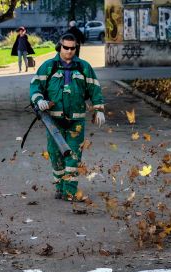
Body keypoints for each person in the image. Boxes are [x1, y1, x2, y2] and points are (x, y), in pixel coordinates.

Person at [29, 33, 105, 201]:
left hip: (76, 121)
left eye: (72, 48)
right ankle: (60, 186)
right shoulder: (49, 67)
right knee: (55, 155)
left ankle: (69, 191)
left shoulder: (84, 67)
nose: (69, 51)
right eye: (66, 48)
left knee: (73, 155)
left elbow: (94, 88)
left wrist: (99, 109)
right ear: (59, 47)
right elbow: (35, 87)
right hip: (53, 122)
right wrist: (39, 100)